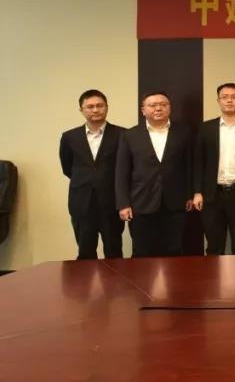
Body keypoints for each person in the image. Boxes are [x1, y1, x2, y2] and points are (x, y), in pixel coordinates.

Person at [115, 91, 192, 258]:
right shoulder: (130, 135)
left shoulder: (184, 133)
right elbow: (121, 172)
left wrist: (190, 195)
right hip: (141, 202)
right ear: (143, 110)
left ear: (169, 108)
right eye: (152, 105)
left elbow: (189, 166)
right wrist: (123, 203)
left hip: (175, 202)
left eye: (163, 105)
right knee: (142, 251)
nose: (158, 108)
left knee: (174, 250)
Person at [192, 82, 235, 255]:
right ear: (218, 101)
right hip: (212, 194)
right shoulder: (205, 128)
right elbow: (198, 162)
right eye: (224, 97)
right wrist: (197, 192)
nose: (229, 100)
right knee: (214, 246)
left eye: (234, 97)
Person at [59, 89, 123, 259]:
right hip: (82, 202)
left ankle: (114, 278)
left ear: (107, 107)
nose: (95, 110)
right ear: (81, 110)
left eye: (99, 106)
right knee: (85, 252)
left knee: (114, 251)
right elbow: (67, 167)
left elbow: (125, 169)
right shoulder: (69, 137)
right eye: (90, 106)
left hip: (112, 202)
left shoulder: (122, 135)